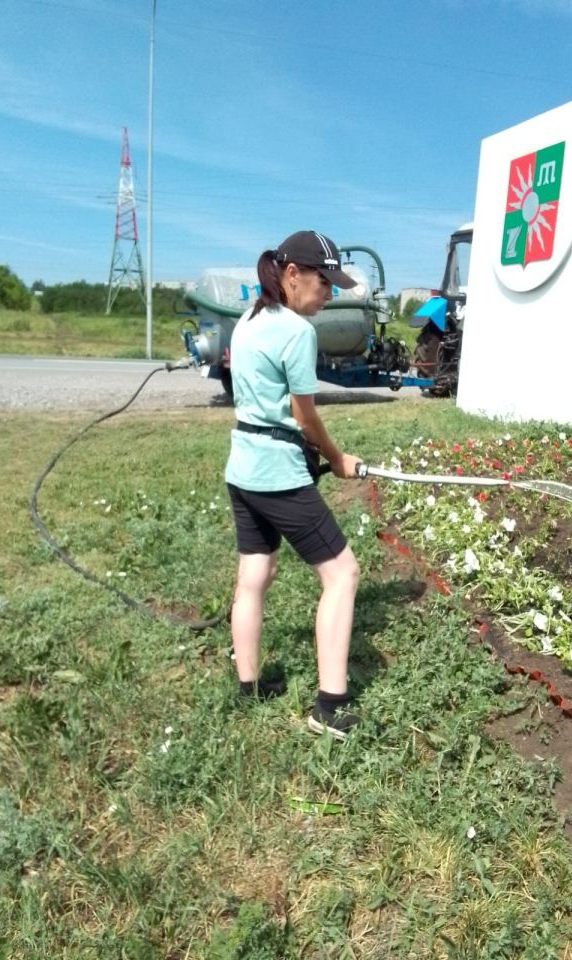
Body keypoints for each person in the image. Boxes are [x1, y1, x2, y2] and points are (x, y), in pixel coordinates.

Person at [225, 230, 363, 740]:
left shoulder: (248, 319)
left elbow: (268, 400)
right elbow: (306, 416)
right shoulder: (297, 332)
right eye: (324, 282)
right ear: (291, 275)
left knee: (255, 574)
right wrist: (337, 458)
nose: (328, 294)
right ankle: (330, 707)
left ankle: (250, 686)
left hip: (241, 467)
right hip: (276, 477)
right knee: (342, 574)